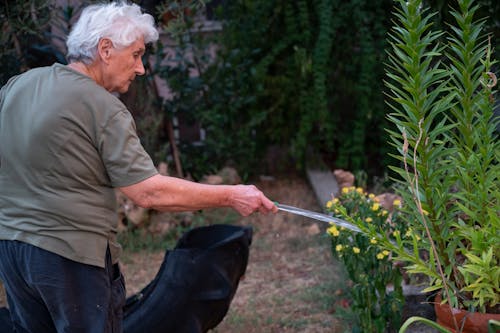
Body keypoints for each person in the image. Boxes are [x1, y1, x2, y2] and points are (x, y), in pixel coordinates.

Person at [0, 2, 277, 332]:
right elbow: (149, 192)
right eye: (135, 54)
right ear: (105, 49)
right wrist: (232, 195)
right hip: (69, 257)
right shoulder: (103, 108)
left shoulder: (18, 86)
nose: (141, 67)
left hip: (12, 252)